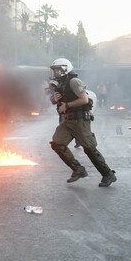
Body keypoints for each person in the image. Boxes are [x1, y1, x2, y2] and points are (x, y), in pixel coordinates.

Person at [48, 58, 117, 187]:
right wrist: (55, 98)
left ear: (65, 69)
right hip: (67, 121)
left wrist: (67, 105)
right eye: (54, 70)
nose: (55, 73)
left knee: (89, 149)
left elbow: (84, 99)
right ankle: (78, 169)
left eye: (57, 70)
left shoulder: (74, 81)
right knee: (57, 144)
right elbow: (56, 100)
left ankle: (108, 174)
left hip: (79, 120)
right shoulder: (61, 84)